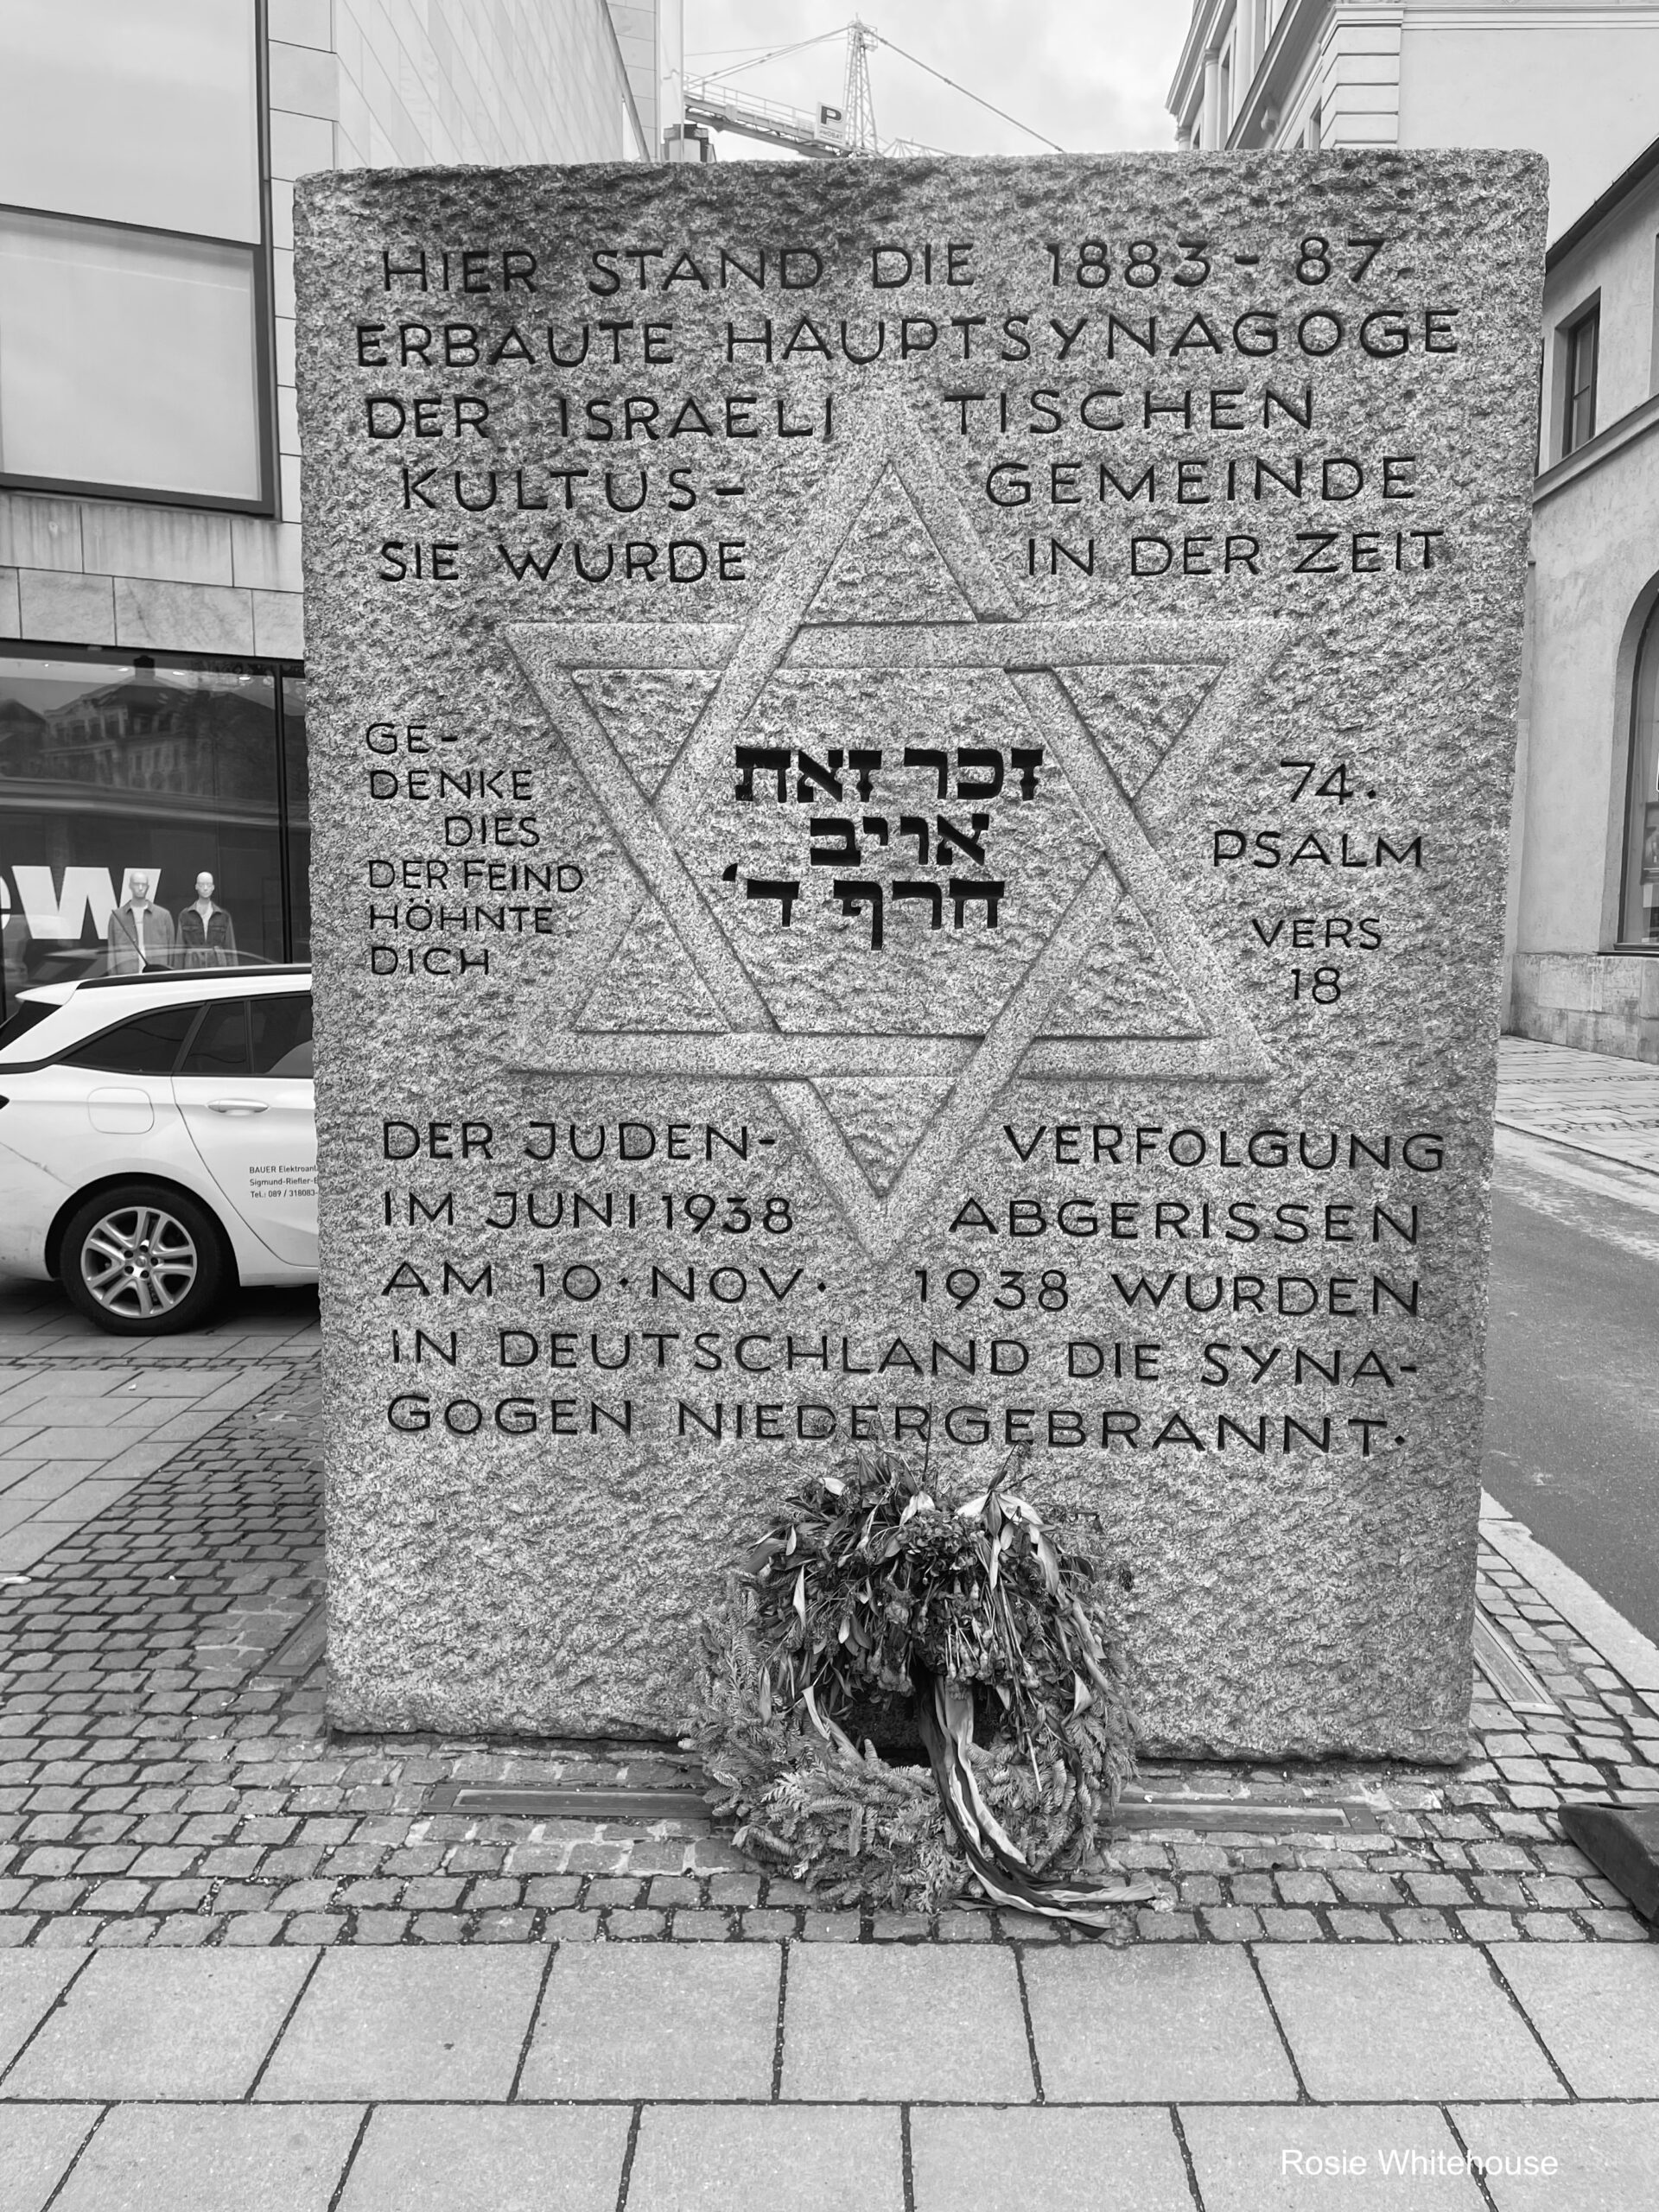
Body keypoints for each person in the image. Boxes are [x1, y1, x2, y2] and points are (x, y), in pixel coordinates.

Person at [106, 872, 175, 973]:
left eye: (143, 884)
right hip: (126, 976)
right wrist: (113, 981)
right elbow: (112, 954)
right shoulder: (117, 917)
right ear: (130, 886)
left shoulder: (163, 916)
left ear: (148, 887)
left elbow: (172, 951)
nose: (140, 887)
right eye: (136, 884)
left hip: (157, 975)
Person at [175, 871, 237, 968]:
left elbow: (230, 950)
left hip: (217, 966)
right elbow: (179, 950)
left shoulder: (223, 916)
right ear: (196, 887)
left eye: (208, 884)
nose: (205, 888)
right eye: (201, 884)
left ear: (213, 887)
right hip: (192, 967)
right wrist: (177, 976)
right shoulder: (185, 915)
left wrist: (234, 975)